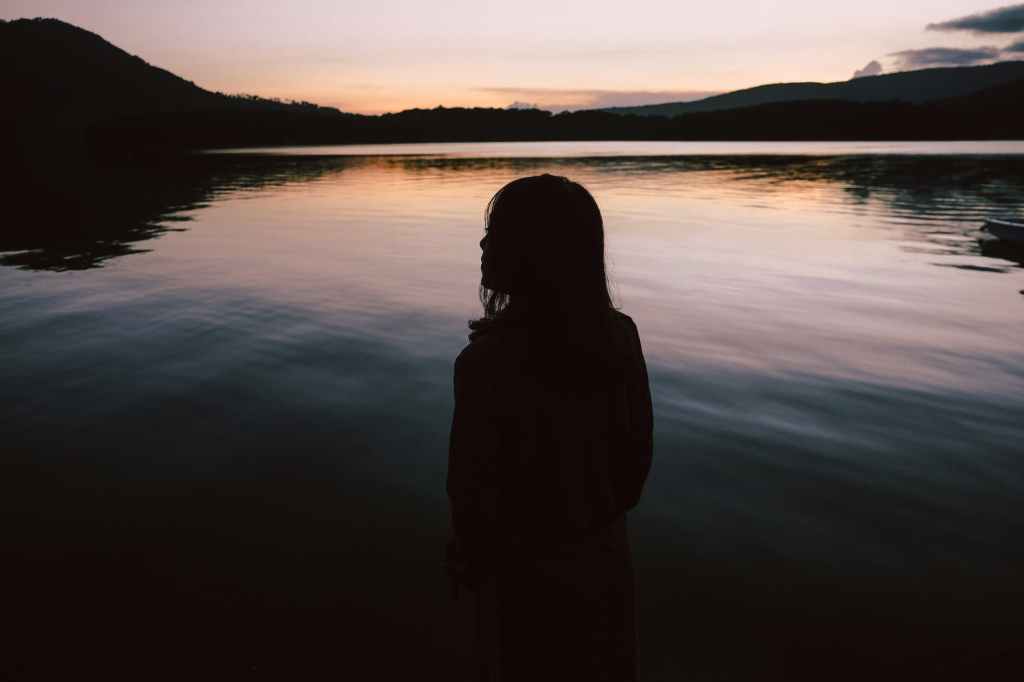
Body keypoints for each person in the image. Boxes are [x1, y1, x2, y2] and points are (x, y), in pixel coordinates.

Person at [446, 174, 653, 681]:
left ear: (533, 251)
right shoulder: (620, 337)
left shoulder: (485, 365)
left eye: (497, 232)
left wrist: (469, 570)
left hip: (523, 581)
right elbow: (634, 466)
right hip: (605, 565)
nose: (483, 243)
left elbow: (470, 498)